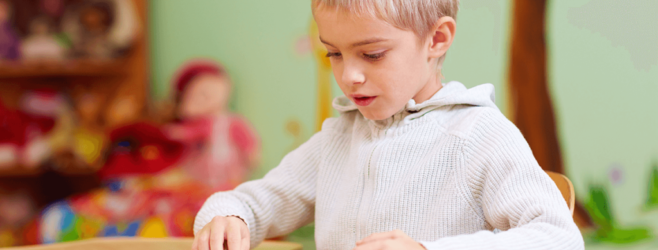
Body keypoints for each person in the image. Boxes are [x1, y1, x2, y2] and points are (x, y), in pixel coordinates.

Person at [193, 0, 584, 249]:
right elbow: (254, 201)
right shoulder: (338, 139)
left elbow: (559, 238)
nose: (350, 76)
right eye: (334, 54)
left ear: (437, 39)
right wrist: (228, 216)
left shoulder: (478, 135)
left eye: (372, 54)